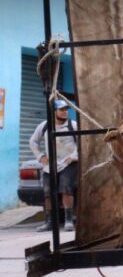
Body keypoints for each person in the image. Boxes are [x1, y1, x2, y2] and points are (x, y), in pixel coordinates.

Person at [29, 99, 79, 232]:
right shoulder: (45, 126)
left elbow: (83, 143)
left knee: (66, 188)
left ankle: (68, 220)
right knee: (47, 192)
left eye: (66, 110)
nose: (64, 112)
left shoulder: (73, 125)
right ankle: (49, 221)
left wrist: (74, 157)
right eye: (61, 110)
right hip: (49, 165)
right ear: (54, 111)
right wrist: (41, 157)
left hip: (68, 163)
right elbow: (33, 142)